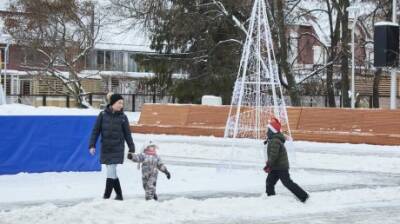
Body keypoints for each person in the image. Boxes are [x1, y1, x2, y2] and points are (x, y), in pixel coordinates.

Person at [89, 93, 135, 200]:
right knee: (112, 172)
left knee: (111, 170)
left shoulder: (123, 117)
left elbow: (127, 134)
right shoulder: (103, 115)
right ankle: (119, 195)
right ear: (113, 103)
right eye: (119, 103)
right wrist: (92, 145)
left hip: (117, 148)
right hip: (106, 148)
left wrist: (131, 148)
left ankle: (106, 196)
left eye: (122, 103)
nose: (121, 105)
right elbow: (96, 131)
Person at [263, 117, 309, 203]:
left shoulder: (275, 141)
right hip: (276, 167)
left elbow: (274, 155)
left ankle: (304, 196)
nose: (267, 131)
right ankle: (270, 198)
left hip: (280, 167)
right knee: (269, 182)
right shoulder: (273, 140)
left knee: (287, 183)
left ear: (272, 131)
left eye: (268, 129)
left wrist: (268, 165)